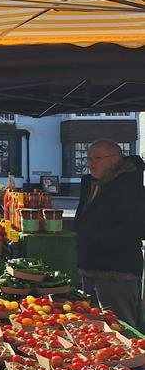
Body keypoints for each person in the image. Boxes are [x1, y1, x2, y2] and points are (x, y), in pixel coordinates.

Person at [75, 139, 145, 328]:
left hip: (117, 271)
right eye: (88, 158)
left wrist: (94, 239)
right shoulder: (90, 183)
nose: (90, 163)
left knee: (120, 327)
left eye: (97, 158)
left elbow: (137, 227)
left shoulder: (130, 186)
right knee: (91, 327)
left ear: (115, 160)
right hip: (89, 265)